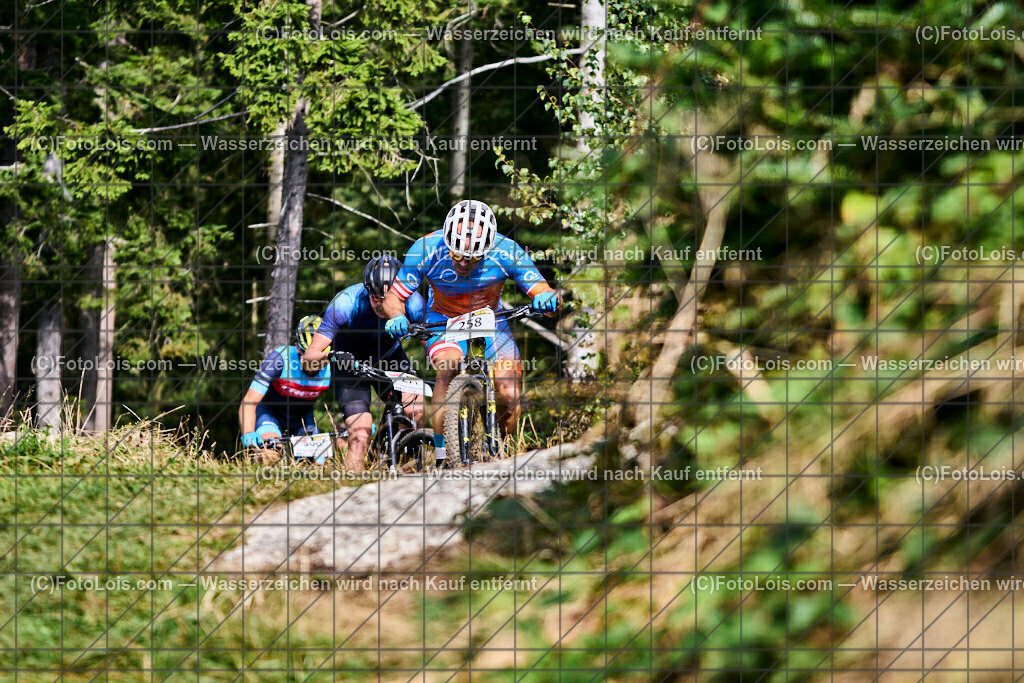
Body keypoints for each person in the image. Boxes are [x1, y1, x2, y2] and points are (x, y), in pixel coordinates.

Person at [382, 199, 559, 463]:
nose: (464, 263)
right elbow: (393, 297)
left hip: (492, 322)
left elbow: (545, 293)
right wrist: (397, 316)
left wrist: (549, 301)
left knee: (509, 393)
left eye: (474, 257)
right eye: (456, 255)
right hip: (443, 321)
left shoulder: (507, 251)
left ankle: (505, 454)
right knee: (447, 368)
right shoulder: (427, 249)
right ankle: (443, 453)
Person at [302, 255, 427, 472]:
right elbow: (309, 358)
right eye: (375, 299)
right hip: (349, 365)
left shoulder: (414, 303)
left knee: (415, 410)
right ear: (368, 291)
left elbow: (431, 343)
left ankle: (407, 478)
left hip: (390, 359)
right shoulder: (345, 303)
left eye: (387, 299)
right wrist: (330, 356)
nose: (381, 305)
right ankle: (350, 489)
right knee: (360, 433)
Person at [239, 315, 332, 463]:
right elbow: (249, 401)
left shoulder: (333, 365)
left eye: (320, 360)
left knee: (316, 464)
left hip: (303, 420)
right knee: (270, 455)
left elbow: (347, 401)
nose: (313, 365)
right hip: (270, 414)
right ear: (297, 347)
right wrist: (249, 432)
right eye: (307, 356)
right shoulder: (280, 359)